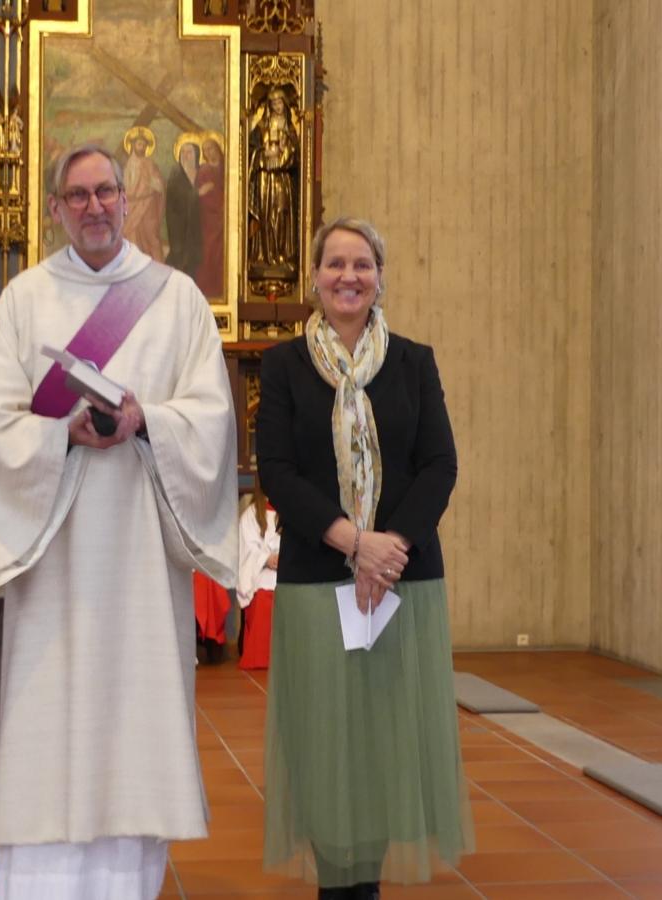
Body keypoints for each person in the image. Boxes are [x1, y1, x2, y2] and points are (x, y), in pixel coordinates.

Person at [0, 144, 238, 899]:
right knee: (50, 719)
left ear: (127, 199)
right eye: (75, 196)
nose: (94, 207)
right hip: (56, 555)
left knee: (130, 729)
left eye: (106, 191)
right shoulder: (24, 299)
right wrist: (59, 434)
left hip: (140, 553)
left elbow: (212, 417)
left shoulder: (176, 299)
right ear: (54, 209)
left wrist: (149, 420)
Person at [256, 217, 472, 898]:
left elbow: (439, 462)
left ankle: (367, 885)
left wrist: (390, 548)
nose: (348, 276)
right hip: (320, 579)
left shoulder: (413, 361)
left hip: (403, 580)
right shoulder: (285, 365)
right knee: (325, 745)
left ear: (380, 277)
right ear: (314, 278)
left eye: (362, 264)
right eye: (335, 264)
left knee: (383, 740)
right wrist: (355, 542)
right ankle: (334, 885)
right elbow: (277, 470)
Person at [248, 89, 299, 275]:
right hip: (265, 177)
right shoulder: (261, 126)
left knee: (281, 212)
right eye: (273, 104)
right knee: (266, 215)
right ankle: (265, 256)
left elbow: (298, 155)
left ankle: (283, 256)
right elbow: (249, 151)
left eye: (279, 103)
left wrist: (286, 152)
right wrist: (263, 155)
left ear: (285, 105)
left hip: (282, 178)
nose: (277, 106)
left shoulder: (290, 128)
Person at [235, 473, 280, 670]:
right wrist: (266, 559)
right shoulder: (252, 513)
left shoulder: (291, 511)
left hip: (285, 571)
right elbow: (248, 548)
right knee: (264, 594)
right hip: (261, 571)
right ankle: (260, 657)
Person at [120, 126, 166, 261]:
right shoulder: (129, 165)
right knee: (133, 237)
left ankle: (158, 267)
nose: (142, 147)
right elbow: (126, 186)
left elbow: (159, 184)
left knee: (152, 237)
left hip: (149, 205)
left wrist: (155, 184)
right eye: (139, 144)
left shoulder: (150, 164)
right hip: (134, 205)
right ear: (133, 145)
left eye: (144, 145)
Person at [165, 135, 203, 279]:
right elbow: (172, 205)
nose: (186, 156)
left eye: (189, 152)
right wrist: (196, 194)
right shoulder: (176, 176)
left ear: (196, 155)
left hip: (200, 225)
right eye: (183, 152)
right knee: (180, 261)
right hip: (180, 227)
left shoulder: (202, 173)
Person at [192, 133, 225, 298]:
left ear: (217, 148)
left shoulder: (227, 166)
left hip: (226, 218)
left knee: (223, 254)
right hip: (209, 219)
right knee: (209, 253)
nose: (209, 152)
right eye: (205, 150)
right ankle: (208, 291)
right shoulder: (204, 170)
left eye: (211, 148)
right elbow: (199, 195)